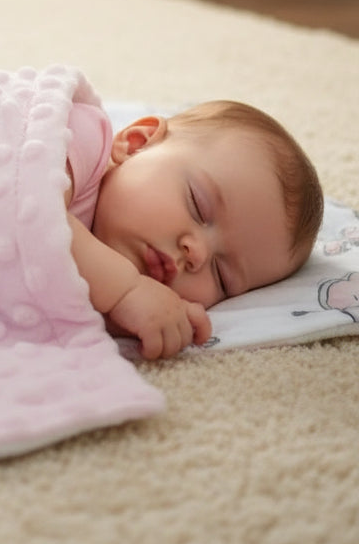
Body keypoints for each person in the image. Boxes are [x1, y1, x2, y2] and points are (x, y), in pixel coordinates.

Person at [65, 99, 324, 360]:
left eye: (222, 275)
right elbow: (33, 216)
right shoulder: (79, 137)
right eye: (198, 206)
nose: (196, 254)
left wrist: (132, 319)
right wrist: (124, 291)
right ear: (136, 143)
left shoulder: (105, 287)